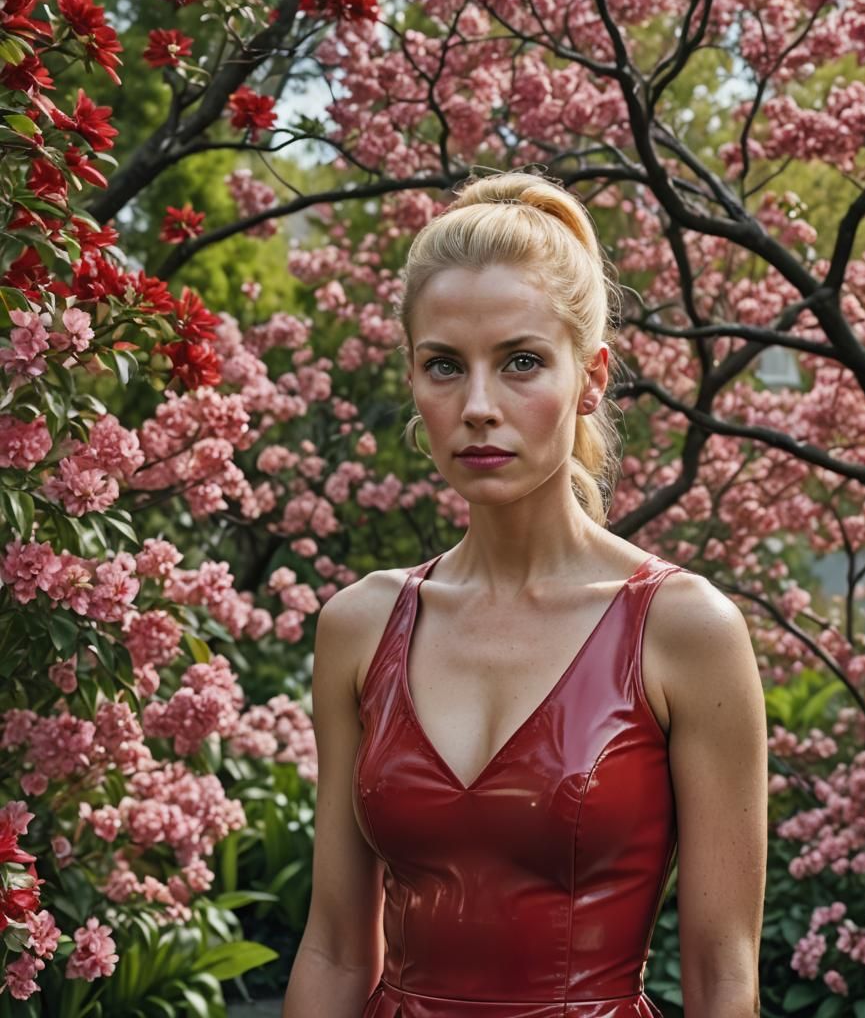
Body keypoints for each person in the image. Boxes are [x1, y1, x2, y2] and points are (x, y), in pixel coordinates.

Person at [282, 171, 768, 1018]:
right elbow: (331, 944)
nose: (476, 406)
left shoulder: (686, 631)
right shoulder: (359, 627)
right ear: (414, 380)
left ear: (592, 377)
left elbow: (723, 973)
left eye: (521, 363)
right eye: (444, 366)